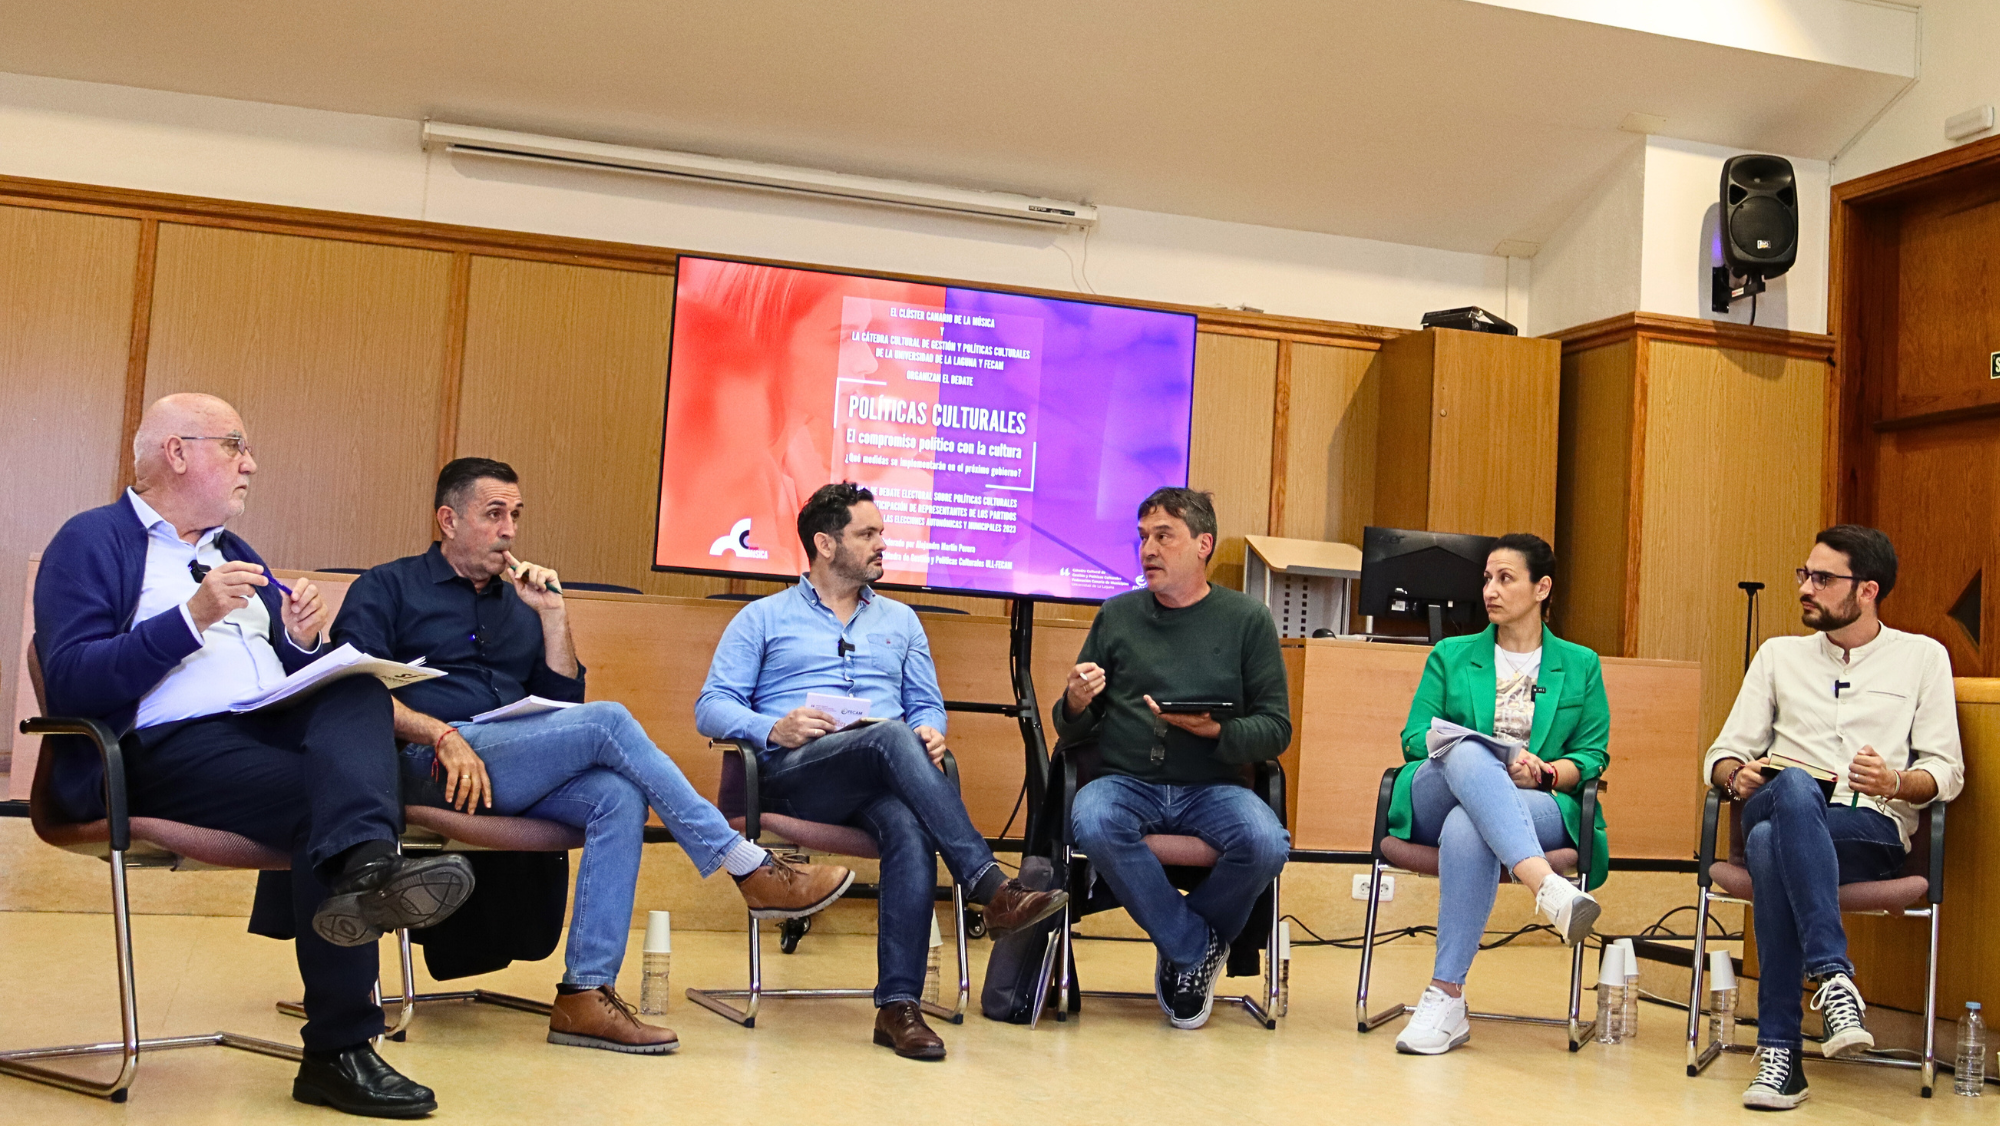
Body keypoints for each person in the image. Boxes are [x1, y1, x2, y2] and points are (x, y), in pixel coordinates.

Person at [33, 393, 472, 1118]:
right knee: (336, 810)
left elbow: (283, 673)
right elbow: (72, 678)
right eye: (236, 446)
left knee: (357, 691)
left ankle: (367, 870)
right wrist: (190, 619)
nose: (252, 464)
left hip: (264, 734)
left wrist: (301, 643)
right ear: (178, 452)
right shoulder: (92, 541)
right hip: (162, 752)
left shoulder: (233, 552)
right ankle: (342, 1046)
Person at [333, 458, 855, 1056]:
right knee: (609, 720)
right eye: (494, 514)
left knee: (617, 794)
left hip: (512, 761)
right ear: (448, 520)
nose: (510, 530)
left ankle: (585, 993)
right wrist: (441, 736)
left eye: (516, 516)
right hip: (427, 764)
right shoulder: (388, 586)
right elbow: (354, 693)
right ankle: (744, 864)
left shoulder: (518, 602)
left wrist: (554, 619)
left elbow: (559, 710)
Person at [696, 481, 1068, 1060]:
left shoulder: (902, 621)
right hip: (798, 773)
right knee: (891, 736)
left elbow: (924, 705)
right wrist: (774, 727)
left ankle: (898, 1008)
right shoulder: (762, 617)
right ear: (824, 544)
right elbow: (711, 705)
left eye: (882, 534)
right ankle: (992, 888)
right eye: (867, 534)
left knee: (907, 815)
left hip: (884, 775)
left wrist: (931, 728)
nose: (881, 545)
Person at [1705, 525, 1962, 1110]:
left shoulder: (1922, 658)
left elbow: (1947, 771)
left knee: (1771, 846)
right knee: (1794, 785)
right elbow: (1723, 751)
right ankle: (1833, 977)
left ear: (1867, 590)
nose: (1805, 588)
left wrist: (1895, 781)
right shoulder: (1778, 655)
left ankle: (1781, 1058)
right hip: (1780, 797)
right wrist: (1733, 775)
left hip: (1868, 828)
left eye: (1822, 579)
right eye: (1805, 574)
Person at [1054, 487, 1292, 1030]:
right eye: (1142, 538)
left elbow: (1276, 729)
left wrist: (1217, 730)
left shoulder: (1246, 620)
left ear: (1203, 544)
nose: (1148, 551)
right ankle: (1191, 947)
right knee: (1090, 818)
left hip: (1213, 786)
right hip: (1127, 781)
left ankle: (1182, 944)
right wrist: (1074, 700)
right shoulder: (1116, 615)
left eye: (1164, 536)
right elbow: (1070, 726)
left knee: (1266, 842)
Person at [1386, 532, 1609, 1056]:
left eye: (1505, 578)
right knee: (1464, 749)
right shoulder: (1453, 654)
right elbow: (1415, 736)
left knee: (1472, 824)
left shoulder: (1580, 664)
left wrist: (1548, 774)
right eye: (1487, 578)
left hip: (1534, 801)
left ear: (1542, 588)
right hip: (1437, 791)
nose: (1490, 589)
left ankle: (1446, 997)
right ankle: (1547, 886)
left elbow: (1593, 755)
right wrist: (1486, 753)